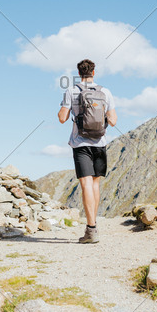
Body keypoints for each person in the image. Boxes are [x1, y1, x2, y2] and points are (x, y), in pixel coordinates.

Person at [58, 59, 117, 243]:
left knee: (85, 185)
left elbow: (61, 118)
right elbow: (113, 121)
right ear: (93, 72)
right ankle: (93, 225)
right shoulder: (105, 92)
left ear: (79, 72)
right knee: (95, 184)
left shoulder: (71, 91)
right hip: (100, 143)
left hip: (80, 143)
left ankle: (91, 230)